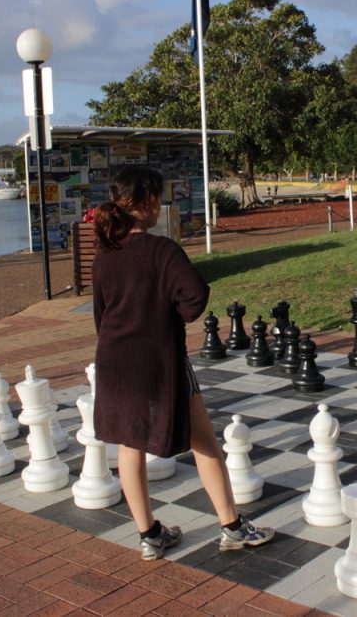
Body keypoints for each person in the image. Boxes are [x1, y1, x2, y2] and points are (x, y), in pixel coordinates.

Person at [91, 166, 275, 560]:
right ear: (147, 202)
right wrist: (167, 312)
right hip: (160, 362)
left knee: (129, 447)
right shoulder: (162, 250)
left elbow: (101, 315)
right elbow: (194, 298)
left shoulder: (105, 256)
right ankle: (231, 526)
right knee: (205, 442)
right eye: (159, 196)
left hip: (114, 365)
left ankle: (150, 535)